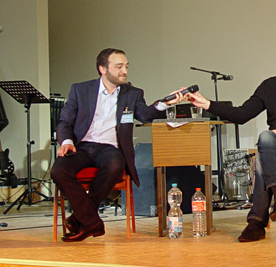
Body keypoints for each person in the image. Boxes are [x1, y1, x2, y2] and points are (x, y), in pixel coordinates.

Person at [187, 34, 276, 242]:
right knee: (266, 144)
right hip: (274, 145)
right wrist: (208, 104)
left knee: (265, 147)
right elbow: (242, 114)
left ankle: (257, 221)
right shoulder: (269, 86)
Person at [52, 48, 186, 242]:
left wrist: (165, 103)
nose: (124, 71)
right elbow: (64, 122)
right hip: (81, 145)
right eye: (119, 67)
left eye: (126, 66)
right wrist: (66, 141)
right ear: (103, 69)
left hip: (110, 148)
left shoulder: (132, 94)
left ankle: (81, 219)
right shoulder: (80, 90)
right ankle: (92, 223)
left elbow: (145, 115)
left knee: (115, 165)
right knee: (59, 171)